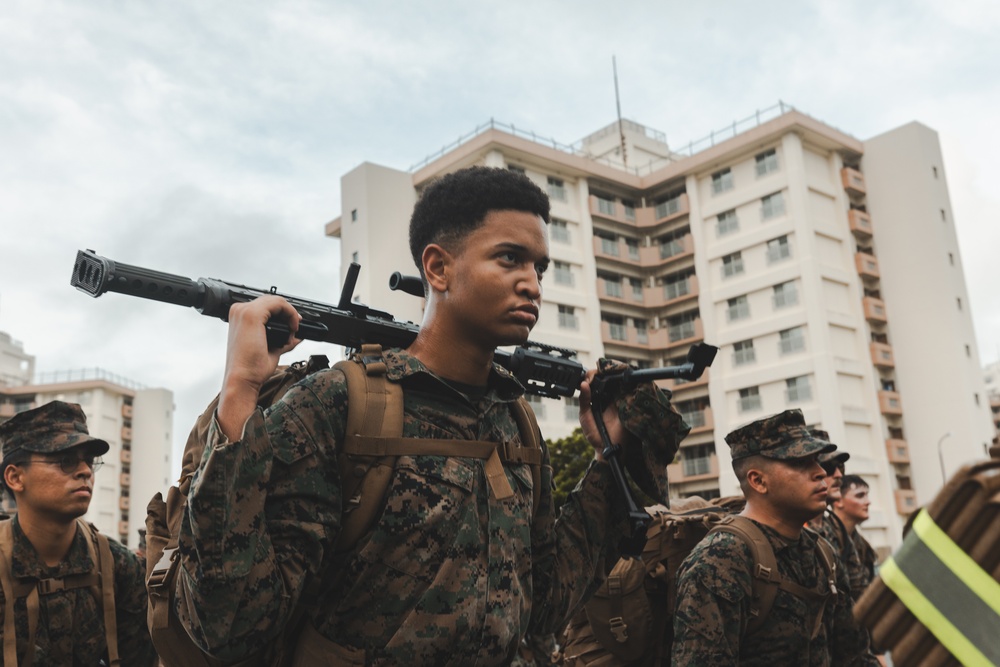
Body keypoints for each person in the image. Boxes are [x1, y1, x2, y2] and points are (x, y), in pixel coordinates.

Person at [174, 166, 686, 664]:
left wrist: (607, 458)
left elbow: (544, 606)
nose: (532, 284)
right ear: (438, 267)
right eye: (509, 259)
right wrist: (241, 389)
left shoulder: (515, 422)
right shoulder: (340, 405)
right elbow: (231, 621)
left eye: (539, 267)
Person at [671, 409, 879, 666]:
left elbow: (855, 657)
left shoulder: (822, 553)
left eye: (817, 461)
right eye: (800, 463)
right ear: (758, 481)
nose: (820, 472)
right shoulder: (720, 560)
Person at [0, 401, 157, 666]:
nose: (85, 471)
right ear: (15, 478)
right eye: (66, 460)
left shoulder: (115, 565)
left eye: (89, 461)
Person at [831, 475, 877, 601]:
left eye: (867, 495)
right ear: (838, 500)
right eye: (860, 495)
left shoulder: (862, 544)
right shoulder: (824, 539)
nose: (868, 501)